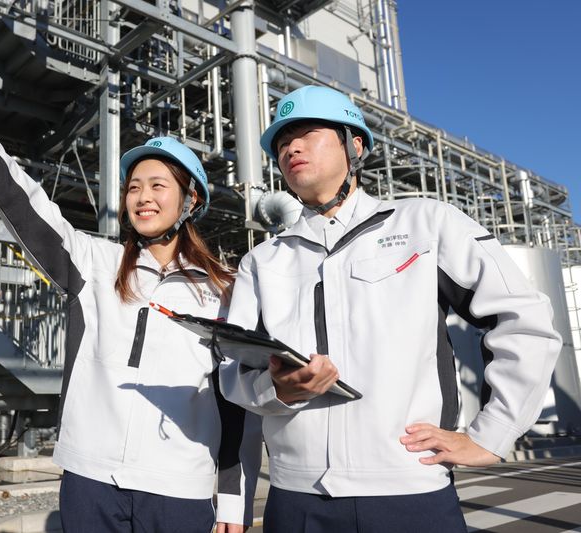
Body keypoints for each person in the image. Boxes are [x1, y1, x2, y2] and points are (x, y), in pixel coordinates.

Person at [0, 52, 260, 533]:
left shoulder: (223, 289)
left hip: (180, 488)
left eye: (158, 185)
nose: (143, 197)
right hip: (90, 479)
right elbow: (26, 206)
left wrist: (234, 500)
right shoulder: (94, 263)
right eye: (134, 187)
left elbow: (236, 402)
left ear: (190, 198)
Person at [219, 85, 562, 532]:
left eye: (307, 134)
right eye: (282, 143)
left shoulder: (426, 224)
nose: (291, 148)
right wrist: (277, 389)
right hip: (296, 498)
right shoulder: (263, 261)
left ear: (355, 145)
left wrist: (493, 433)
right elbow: (233, 371)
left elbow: (523, 318)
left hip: (408, 491)